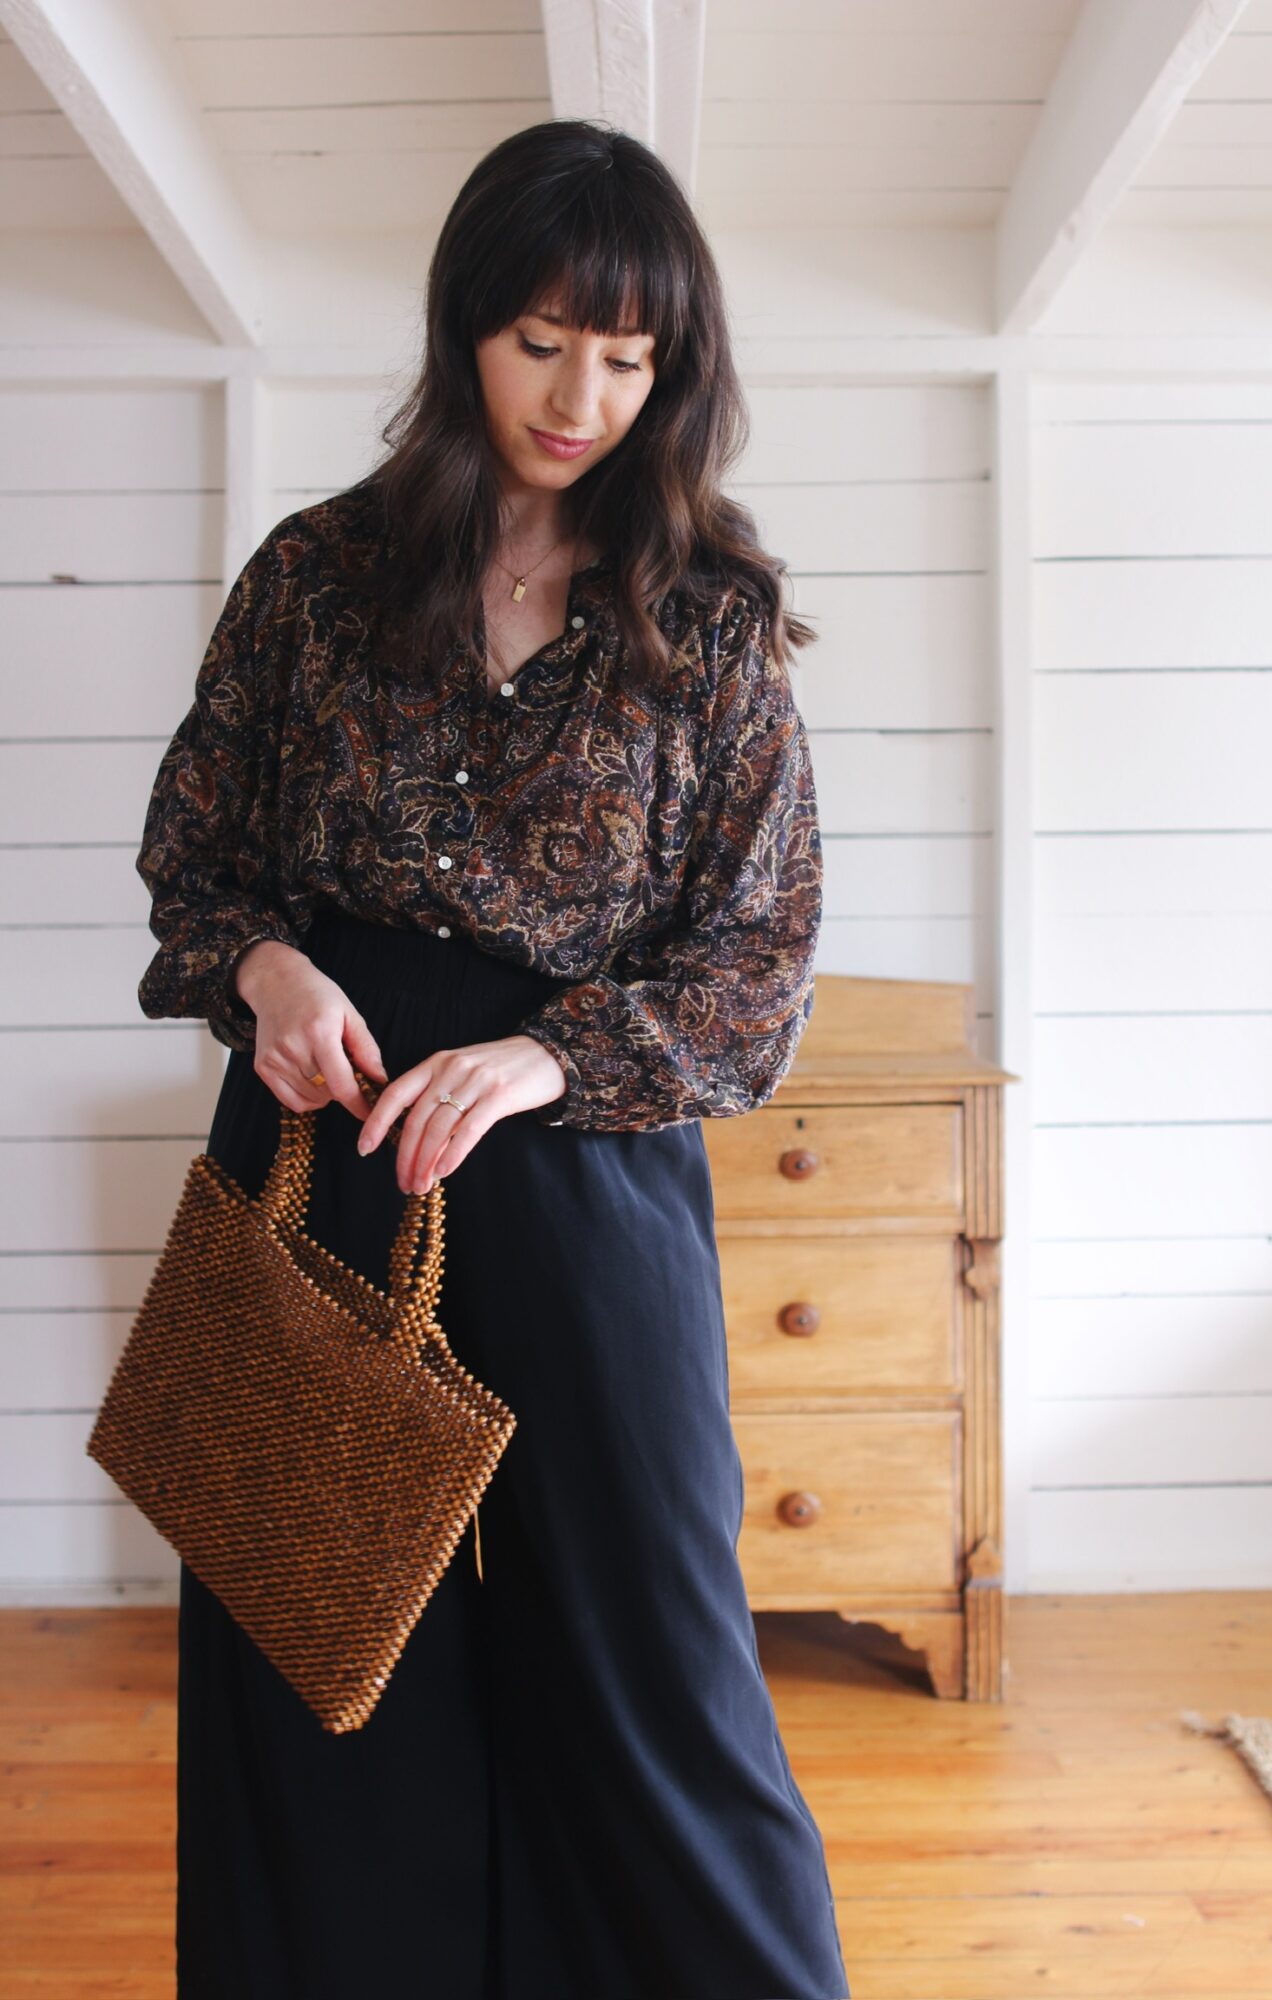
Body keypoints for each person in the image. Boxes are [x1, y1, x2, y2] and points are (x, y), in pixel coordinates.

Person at [135, 116, 849, 2000]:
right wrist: (267, 970)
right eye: (545, 339)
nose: (582, 395)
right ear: (466, 325)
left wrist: (542, 1062)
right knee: (314, 1630)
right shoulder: (311, 580)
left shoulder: (708, 626)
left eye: (630, 358)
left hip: (581, 1170)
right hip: (318, 1153)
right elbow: (193, 864)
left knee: (650, 1645)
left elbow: (757, 966)